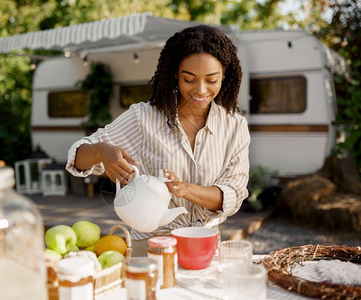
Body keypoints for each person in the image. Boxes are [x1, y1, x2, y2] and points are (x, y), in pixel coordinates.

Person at [66, 25, 250, 256]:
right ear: (175, 74)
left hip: (205, 246)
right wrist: (103, 151)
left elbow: (233, 195)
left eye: (211, 80)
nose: (200, 90)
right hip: (151, 247)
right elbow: (77, 158)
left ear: (225, 74)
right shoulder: (144, 118)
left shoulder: (234, 126)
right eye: (189, 79)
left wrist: (186, 189)